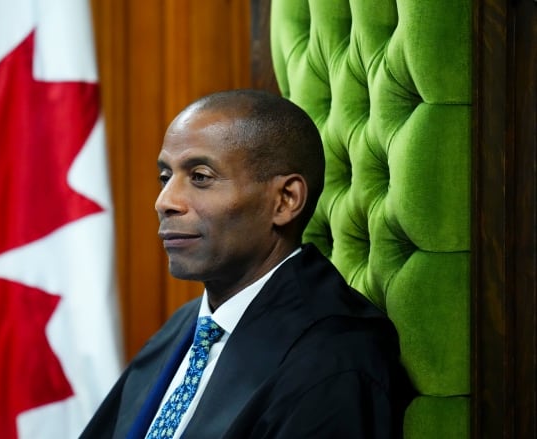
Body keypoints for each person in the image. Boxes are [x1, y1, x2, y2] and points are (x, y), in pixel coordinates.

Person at [81, 89, 414, 438]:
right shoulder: (188, 325)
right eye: (166, 177)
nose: (165, 201)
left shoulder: (336, 357)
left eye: (201, 177)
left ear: (285, 200)